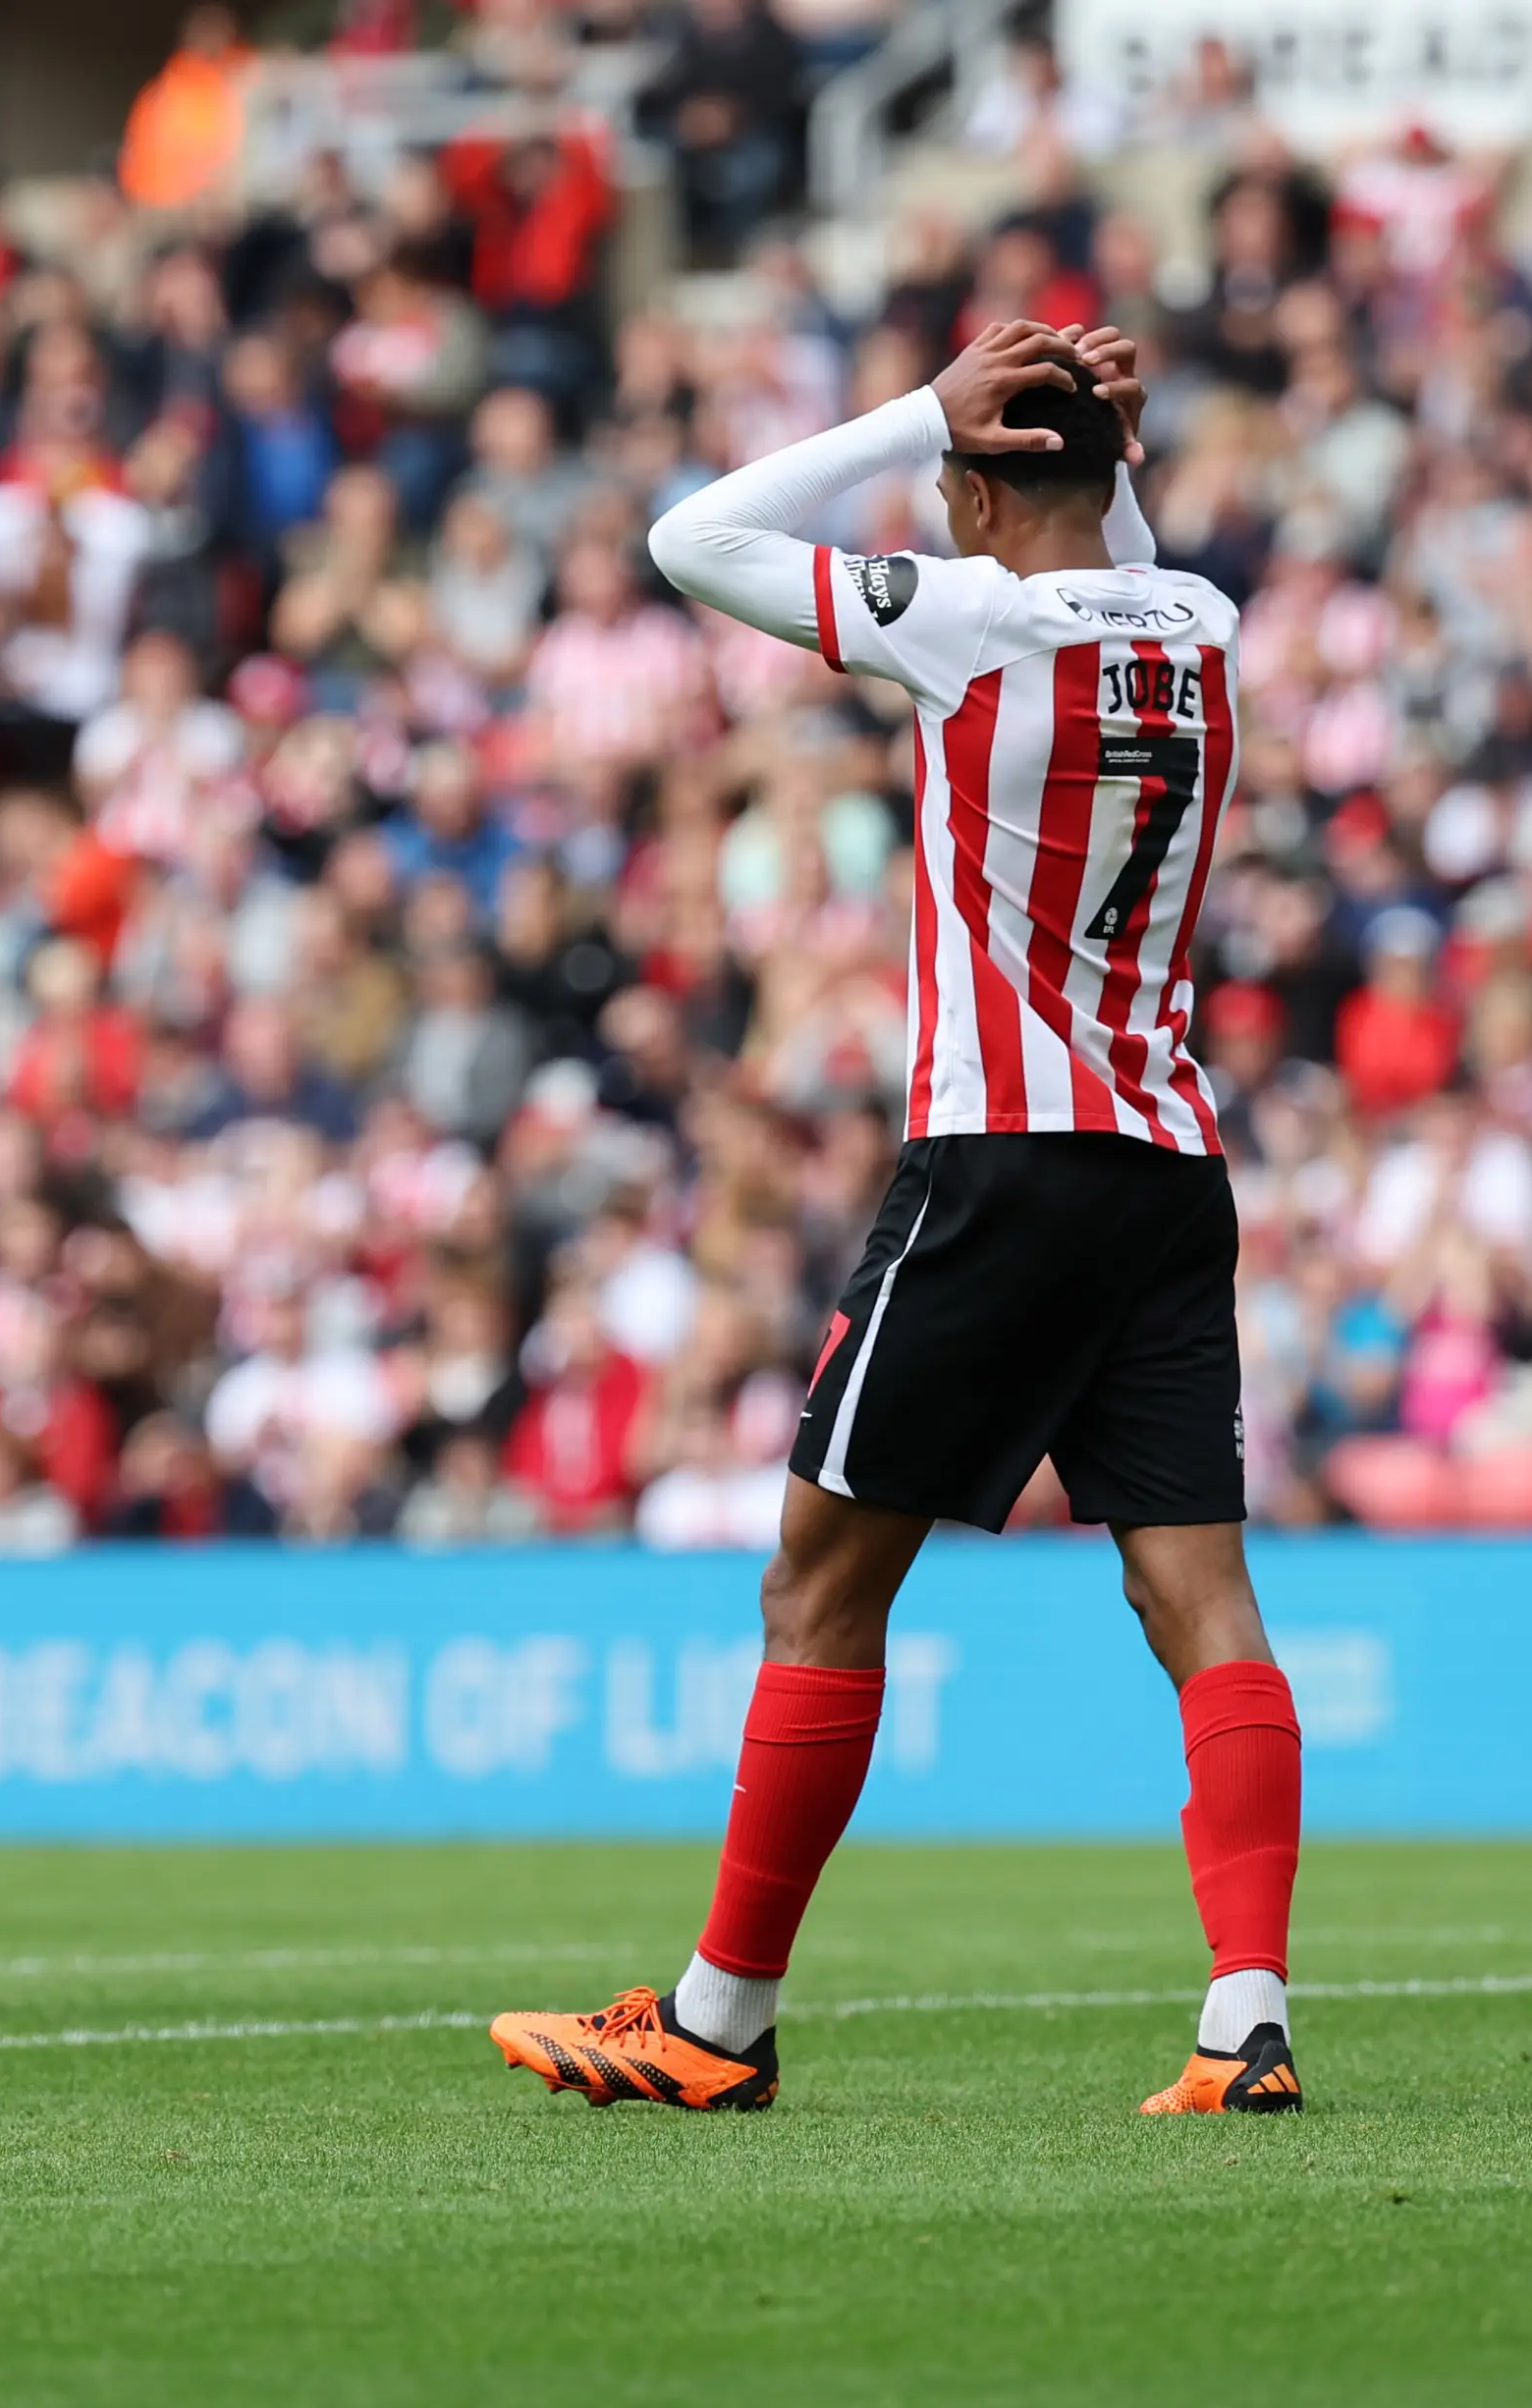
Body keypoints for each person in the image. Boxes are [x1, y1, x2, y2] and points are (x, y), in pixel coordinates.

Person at [486, 323, 1307, 2118]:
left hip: (998, 1158)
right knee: (1202, 1598)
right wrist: (1094, 454)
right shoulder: (1206, 627)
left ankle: (717, 2017)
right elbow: (1121, 563)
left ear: (990, 489)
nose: (937, 499)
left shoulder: (970, 620)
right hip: (1167, 1166)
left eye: (956, 482)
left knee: (818, 1582)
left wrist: (910, 414)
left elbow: (690, 540)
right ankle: (1246, 2017)